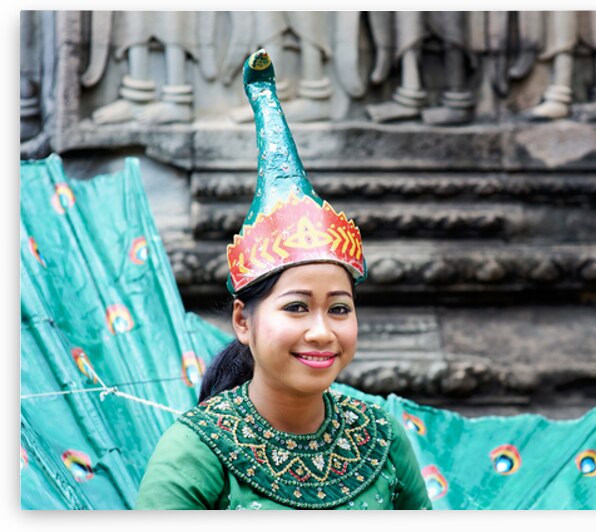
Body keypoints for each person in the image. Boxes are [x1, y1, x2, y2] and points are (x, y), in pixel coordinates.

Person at [135, 49, 432, 510]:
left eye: (339, 308)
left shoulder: (381, 436)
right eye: (296, 306)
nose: (322, 330)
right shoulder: (195, 452)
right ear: (243, 321)